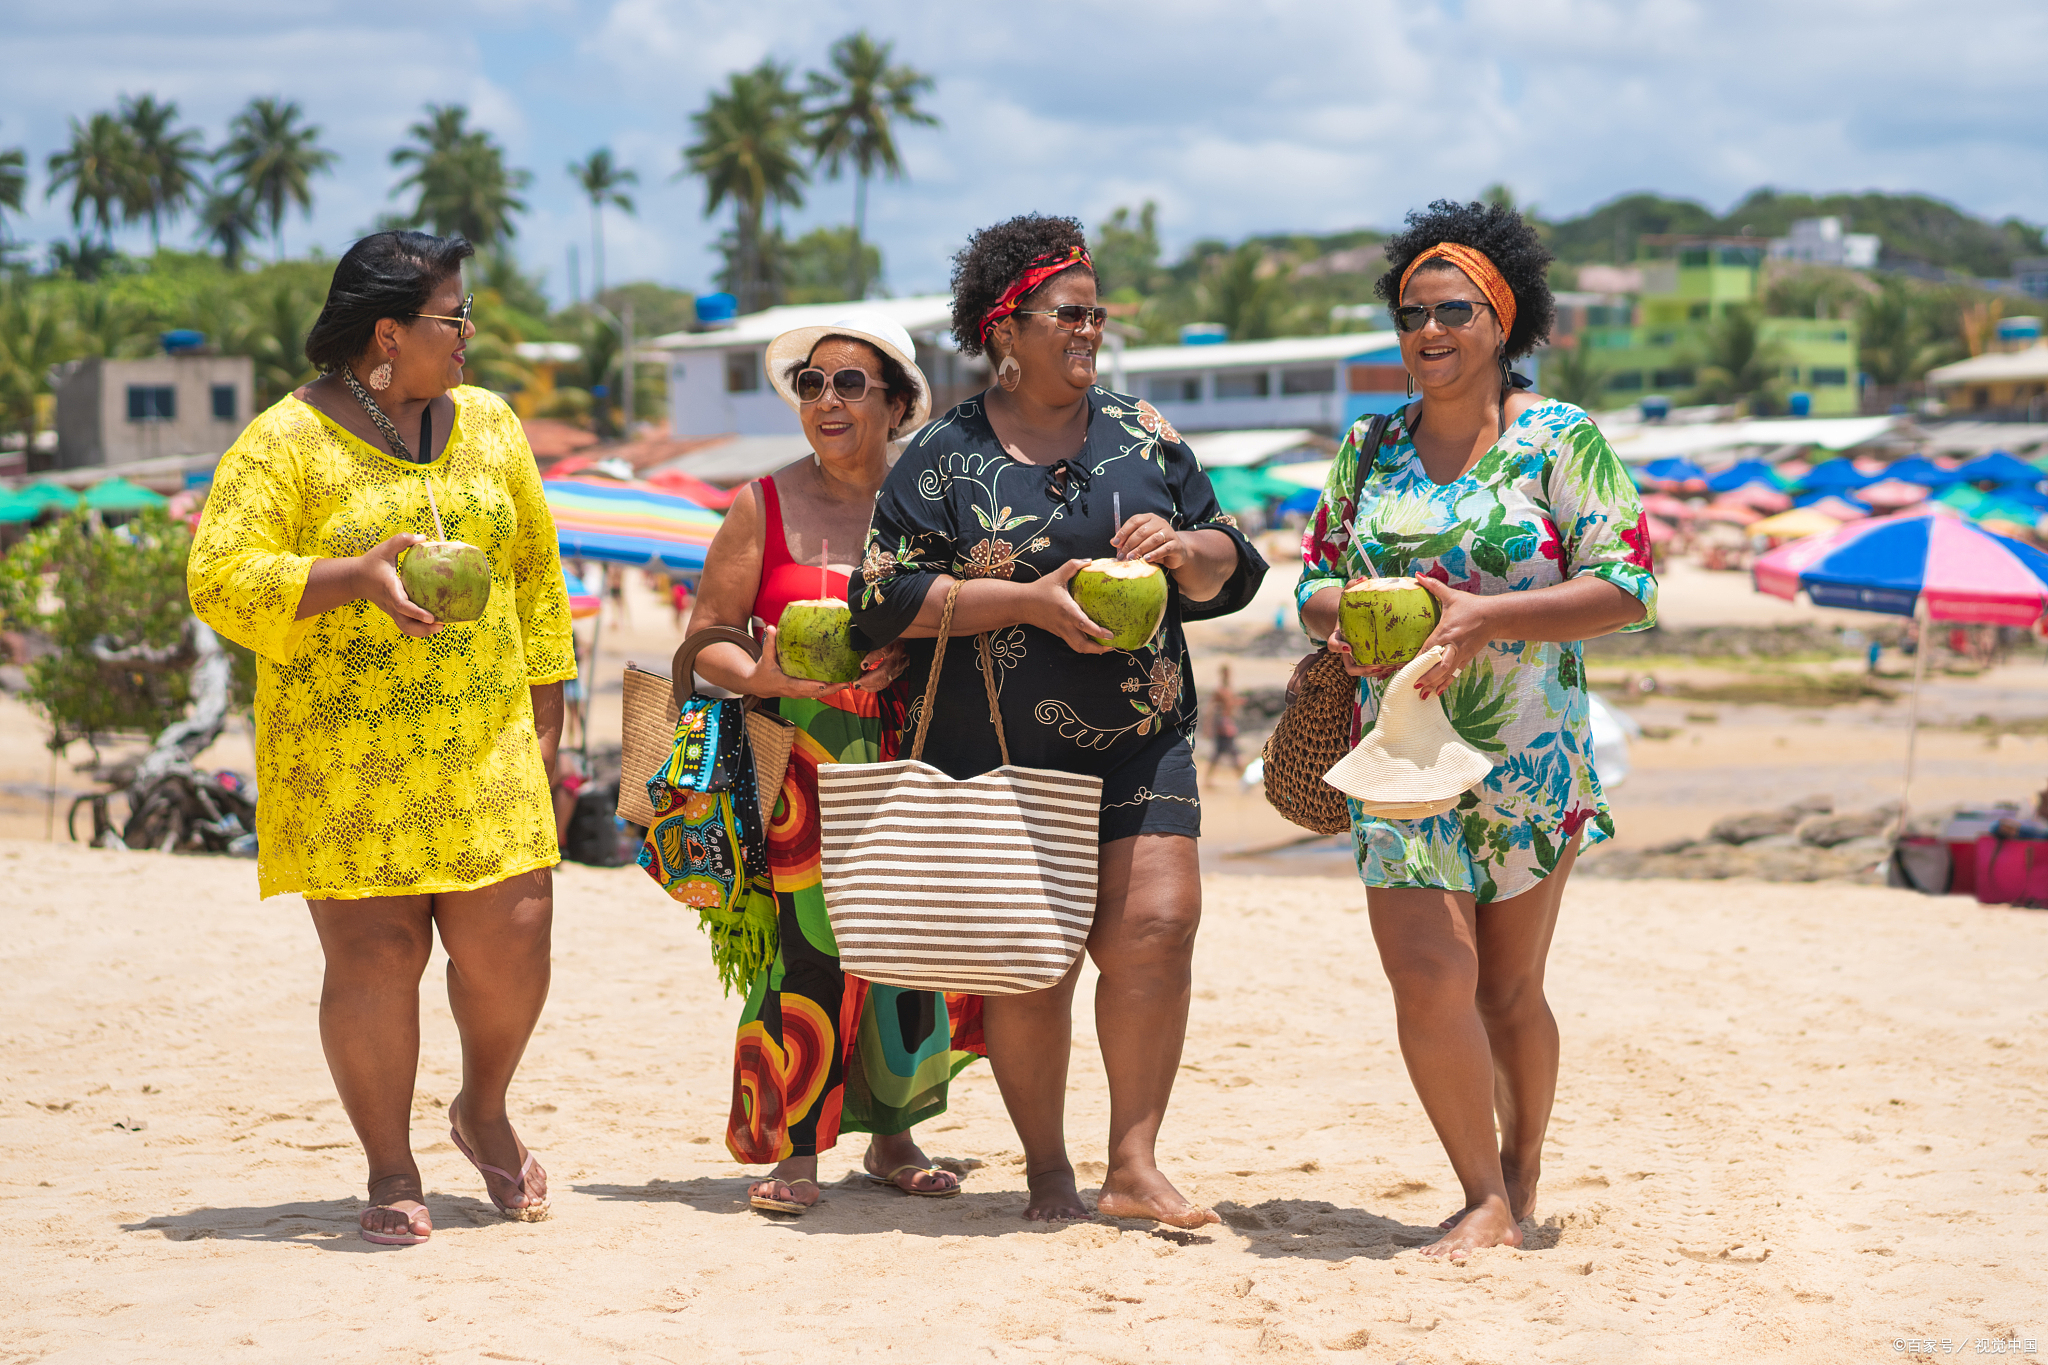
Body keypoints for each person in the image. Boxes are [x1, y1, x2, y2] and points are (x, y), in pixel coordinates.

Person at [849, 215, 1268, 1226]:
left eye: (1095, 314)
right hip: (992, 751)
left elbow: (1232, 565)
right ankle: (1047, 1168)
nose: (1090, 330)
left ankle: (1133, 1164)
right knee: (1032, 966)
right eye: (1069, 313)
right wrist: (1032, 600)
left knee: (1159, 929)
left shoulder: (1143, 435)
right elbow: (882, 600)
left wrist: (1182, 547)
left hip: (1141, 727)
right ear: (1008, 327)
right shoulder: (941, 458)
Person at [188, 231, 574, 1247]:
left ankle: (481, 1106)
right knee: (377, 954)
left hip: (485, 738)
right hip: (342, 758)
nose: (470, 334)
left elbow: (535, 568)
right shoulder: (286, 441)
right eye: (454, 318)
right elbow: (220, 575)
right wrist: (351, 576)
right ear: (388, 334)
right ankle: (390, 1164)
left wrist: (548, 708)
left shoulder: (489, 424)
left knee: (516, 933)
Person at [1297, 200, 1658, 1260]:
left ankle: (1521, 1170)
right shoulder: (1366, 448)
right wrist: (1353, 622)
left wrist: (1483, 616)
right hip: (1397, 746)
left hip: (1527, 751)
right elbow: (1310, 587)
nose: (1427, 332)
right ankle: (1477, 1195)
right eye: (1409, 313)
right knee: (1424, 969)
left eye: (1451, 309)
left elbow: (1624, 585)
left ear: (1501, 319)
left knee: (1505, 989)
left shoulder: (1561, 437)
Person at [687, 312, 980, 1216]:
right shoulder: (761, 505)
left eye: (850, 383)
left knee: (906, 947)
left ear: (898, 403)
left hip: (912, 751)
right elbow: (704, 641)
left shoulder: (938, 508)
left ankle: (893, 1138)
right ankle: (799, 1146)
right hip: (797, 768)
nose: (826, 400)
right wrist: (763, 672)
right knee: (802, 953)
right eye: (811, 385)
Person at [1205, 664, 1242, 787]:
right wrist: (1209, 726)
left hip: (1227, 724)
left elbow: (1230, 706)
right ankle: (1243, 781)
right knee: (1230, 753)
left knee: (1223, 754)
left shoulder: (1228, 689)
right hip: (1223, 725)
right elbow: (1211, 709)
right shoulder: (1220, 691)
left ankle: (1243, 780)